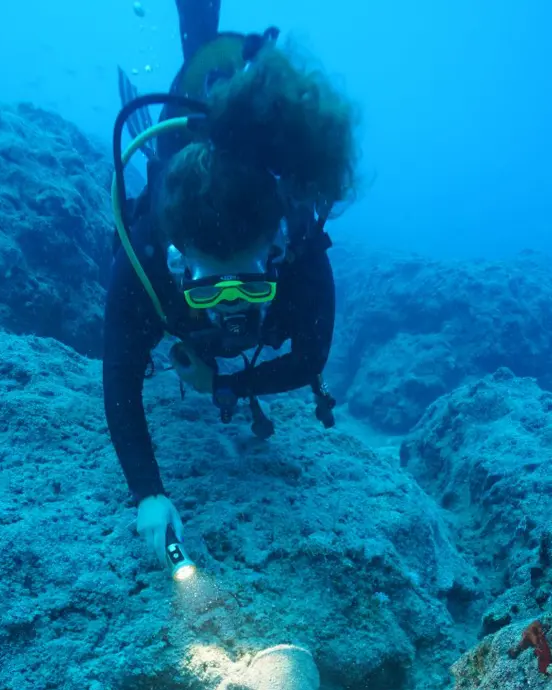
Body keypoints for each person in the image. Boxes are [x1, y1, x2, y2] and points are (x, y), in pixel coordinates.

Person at [102, 0, 359, 568]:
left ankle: (206, 47)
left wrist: (226, 384)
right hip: (173, 167)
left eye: (252, 286)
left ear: (275, 252)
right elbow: (119, 373)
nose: (231, 309)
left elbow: (310, 357)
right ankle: (199, 44)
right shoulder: (148, 257)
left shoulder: (298, 248)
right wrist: (149, 493)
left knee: (203, 53)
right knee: (166, 145)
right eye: (208, 291)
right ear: (179, 262)